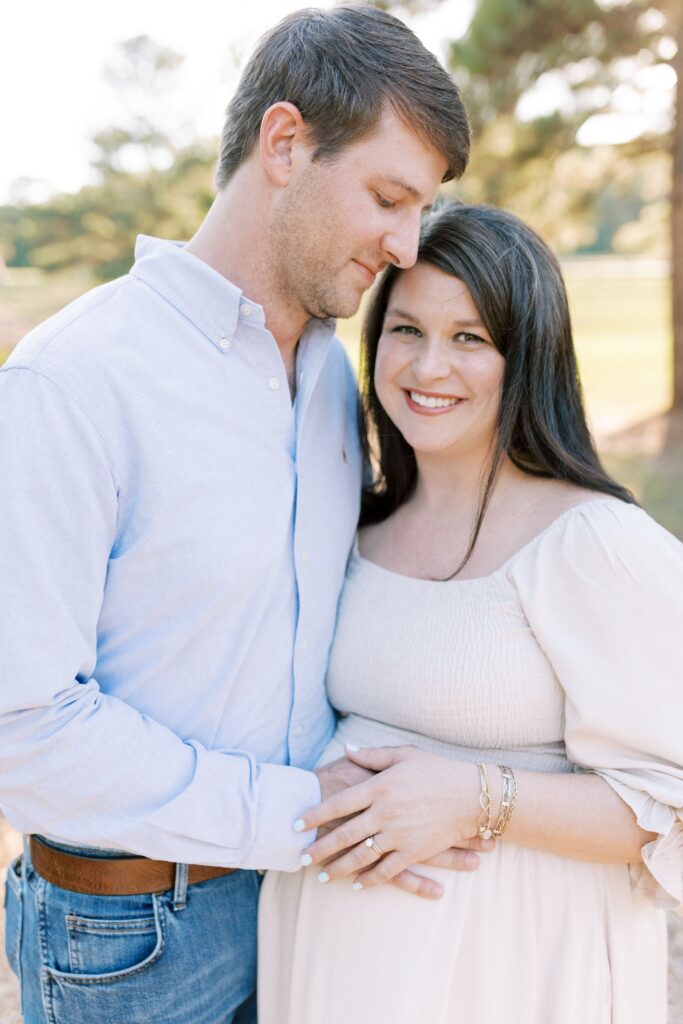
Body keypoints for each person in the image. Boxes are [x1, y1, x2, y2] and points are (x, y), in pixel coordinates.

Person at [0, 8, 474, 1024]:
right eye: (389, 199)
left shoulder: (327, 379)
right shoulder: (74, 380)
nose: (402, 246)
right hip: (129, 939)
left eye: (418, 212)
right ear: (285, 142)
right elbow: (23, 724)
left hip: (307, 901)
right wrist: (306, 815)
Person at [258, 201, 683, 1024]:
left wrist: (478, 796)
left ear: (527, 358)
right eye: (405, 329)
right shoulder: (353, 523)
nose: (426, 367)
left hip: (510, 976)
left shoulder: (591, 543)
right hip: (332, 970)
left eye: (469, 338)